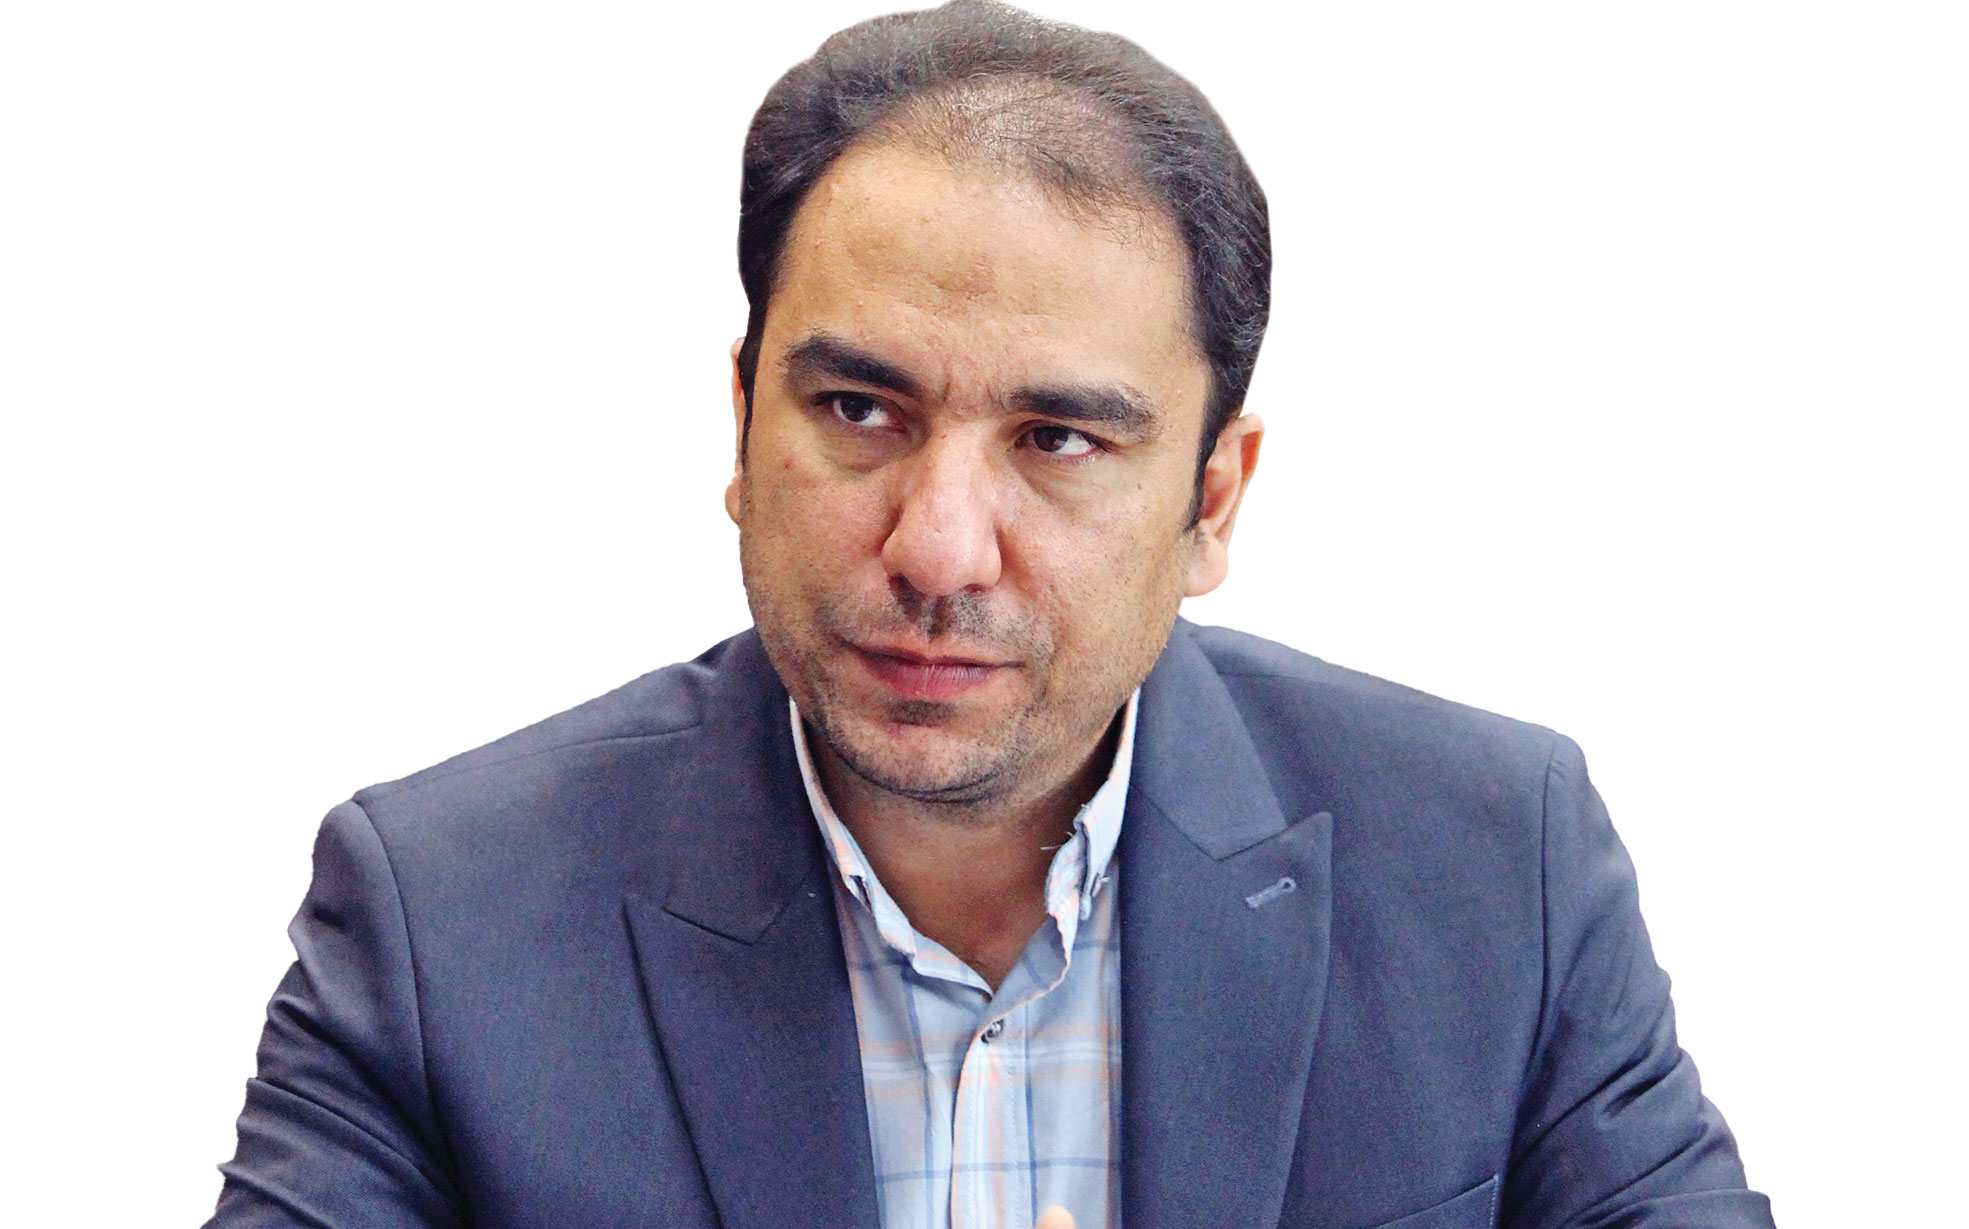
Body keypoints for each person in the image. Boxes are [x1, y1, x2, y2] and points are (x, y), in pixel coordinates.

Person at [207, 2, 1774, 1227]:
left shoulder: (1495, 868)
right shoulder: (441, 919)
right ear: (742, 423)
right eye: (858, 409)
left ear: (1212, 499)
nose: (940, 546)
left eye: (1059, 439)